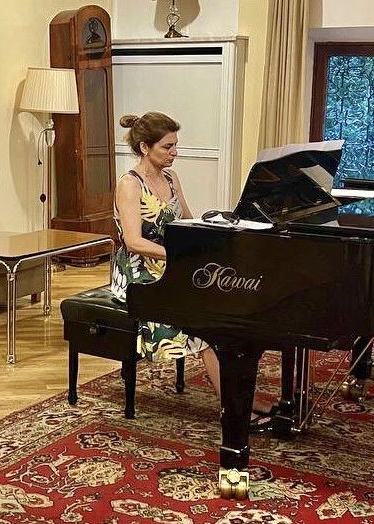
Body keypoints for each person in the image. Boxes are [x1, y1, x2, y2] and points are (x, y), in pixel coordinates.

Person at [111, 112, 273, 425]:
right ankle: (234, 408)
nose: (175, 152)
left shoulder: (171, 178)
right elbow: (133, 242)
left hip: (172, 263)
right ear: (144, 147)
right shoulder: (129, 185)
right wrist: (179, 257)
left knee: (225, 302)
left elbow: (187, 221)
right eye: (167, 146)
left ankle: (241, 396)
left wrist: (214, 235)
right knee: (204, 322)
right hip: (140, 271)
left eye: (175, 145)